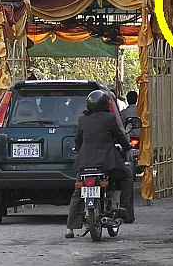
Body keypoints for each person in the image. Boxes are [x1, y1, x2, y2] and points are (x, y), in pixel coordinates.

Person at [65, 90, 132, 238]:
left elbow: (78, 141)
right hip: (106, 163)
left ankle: (70, 228)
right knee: (127, 175)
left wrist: (78, 149)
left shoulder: (82, 119)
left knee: (77, 192)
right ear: (104, 104)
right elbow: (120, 137)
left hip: (84, 163)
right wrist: (127, 147)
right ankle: (125, 210)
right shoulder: (109, 118)